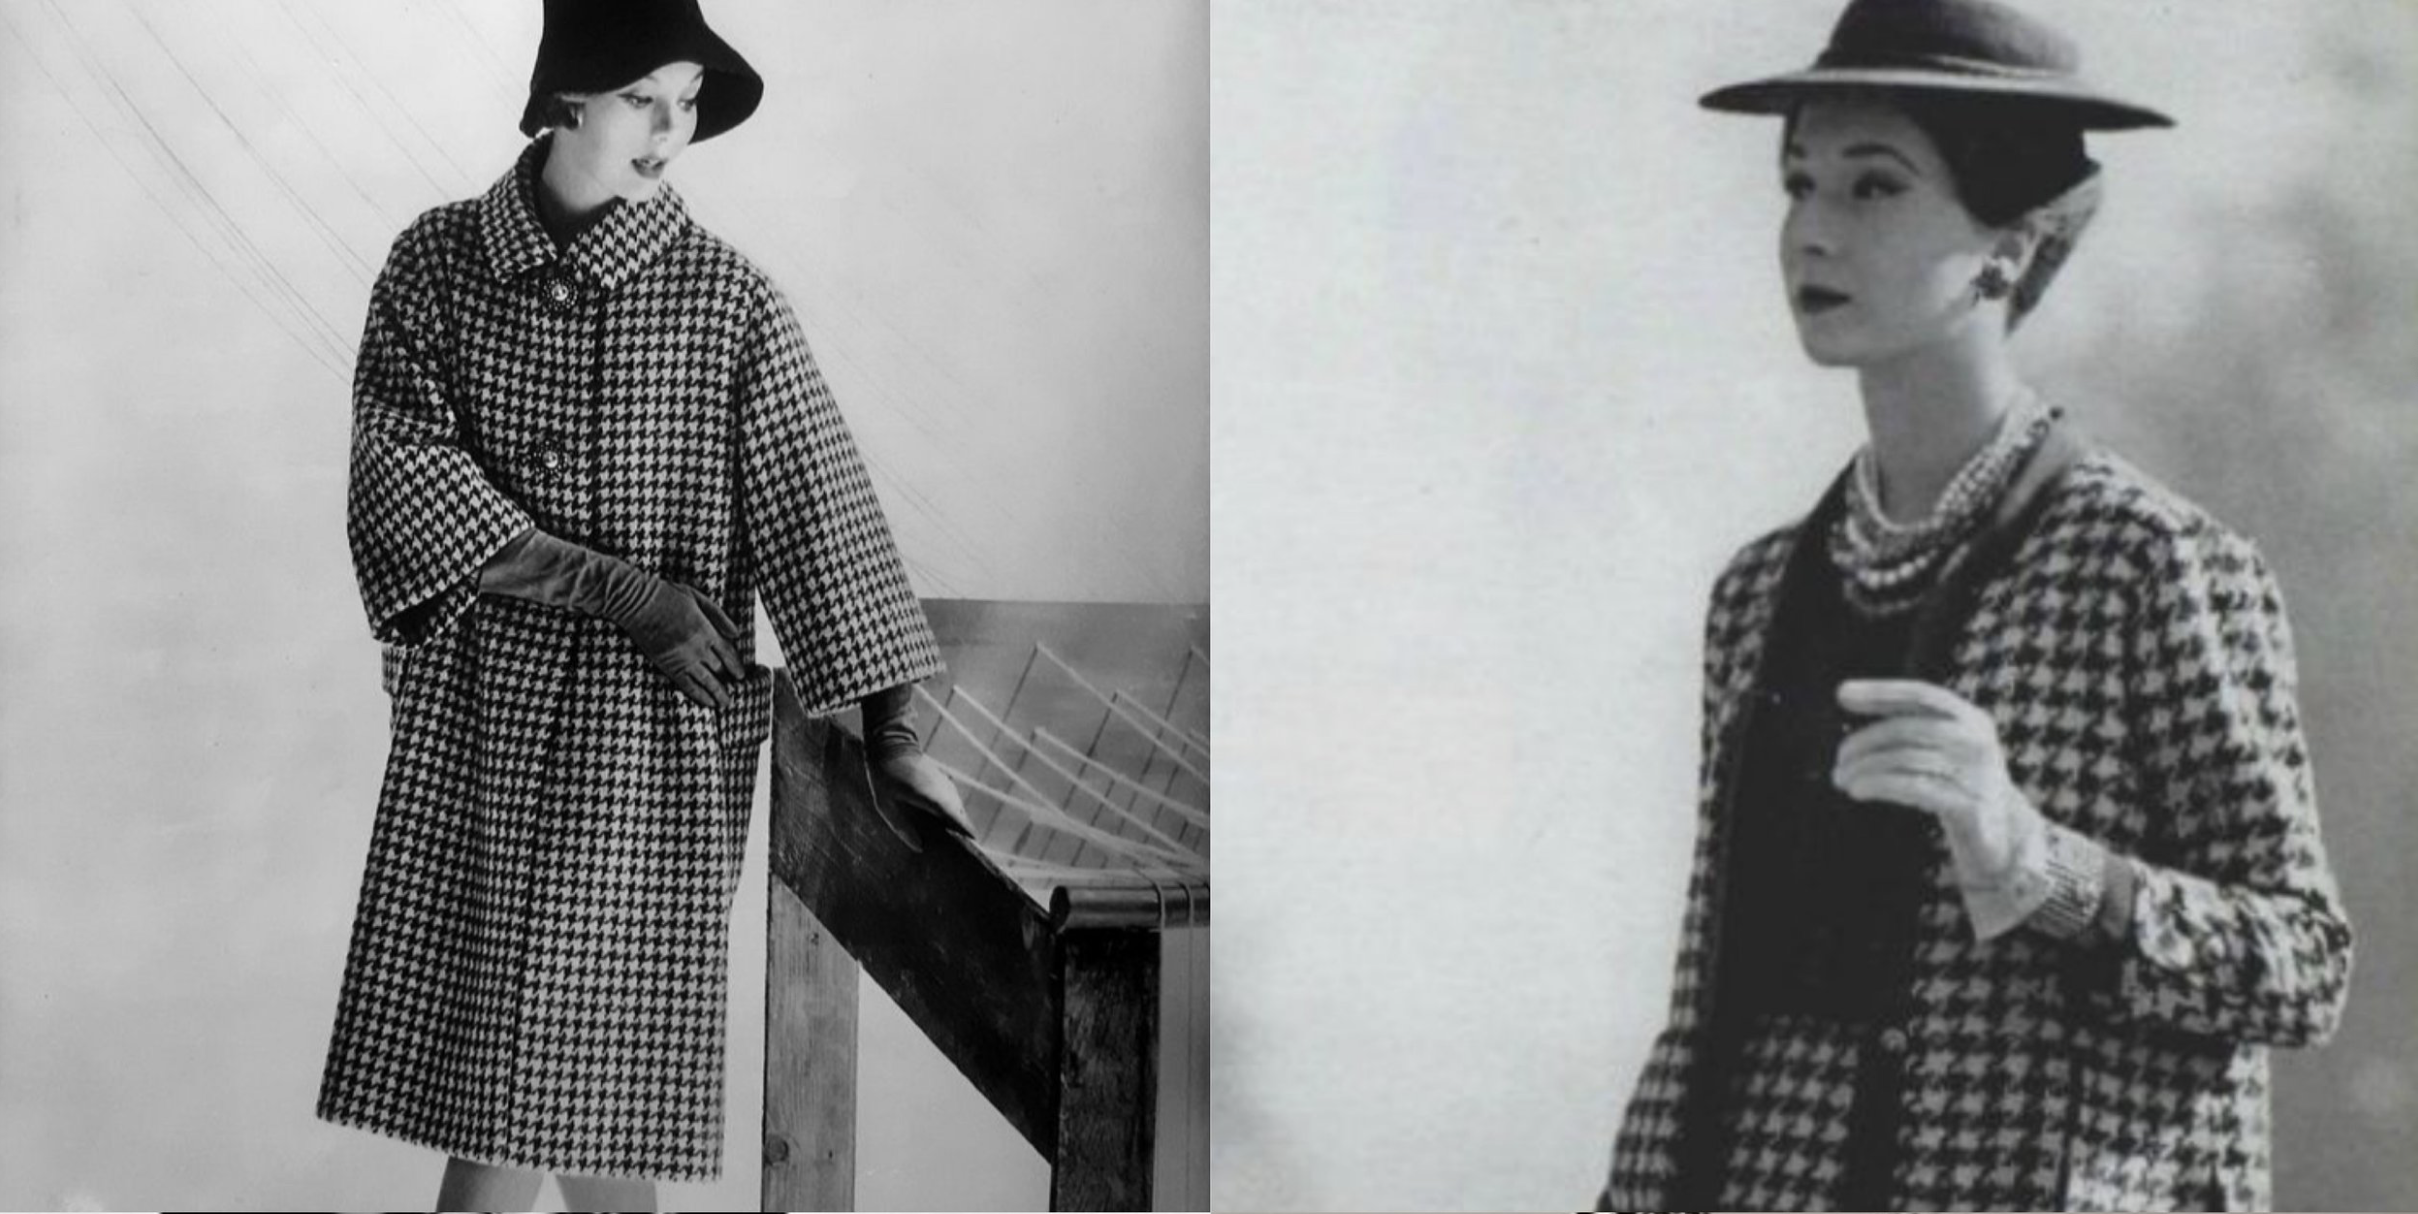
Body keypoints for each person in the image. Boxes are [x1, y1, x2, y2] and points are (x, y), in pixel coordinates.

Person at [1597, 1, 2353, 1209]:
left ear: (2009, 246)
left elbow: (2302, 967)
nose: (1811, 229)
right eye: (1799, 182)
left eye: (1874, 187)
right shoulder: (1757, 595)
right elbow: (1711, 994)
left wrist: (2037, 860)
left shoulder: (2150, 562)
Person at [314, 2, 973, 1208]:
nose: (674, 128)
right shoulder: (436, 262)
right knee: (564, 1096)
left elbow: (819, 509)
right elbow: (399, 474)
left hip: (644, 752)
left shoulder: (728, 303)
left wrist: (893, 731)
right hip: (477, 732)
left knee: (547, 1080)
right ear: (565, 95)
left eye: (687, 98)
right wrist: (618, 588)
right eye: (641, 97)